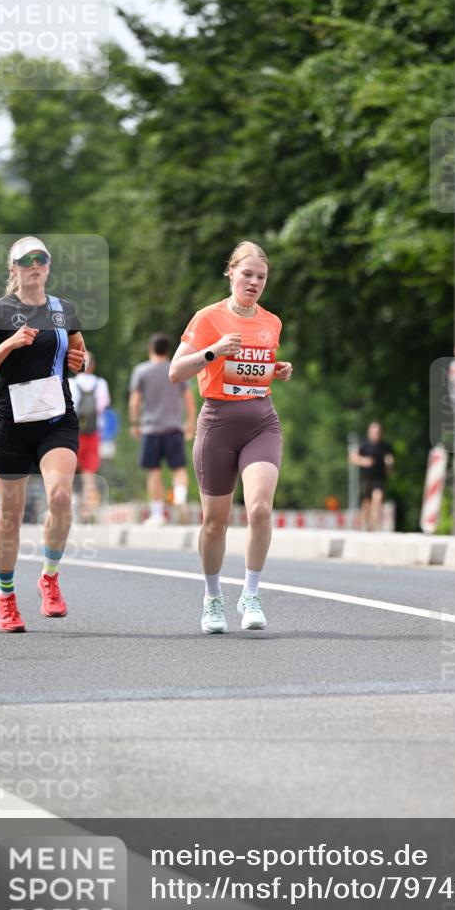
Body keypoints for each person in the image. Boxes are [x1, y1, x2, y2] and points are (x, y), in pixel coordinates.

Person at [169, 241, 293, 633]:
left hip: (261, 422)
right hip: (218, 424)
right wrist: (213, 351)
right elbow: (176, 372)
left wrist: (277, 371)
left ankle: (252, 593)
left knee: (258, 509)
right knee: (215, 522)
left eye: (261, 277)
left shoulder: (271, 322)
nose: (254, 282)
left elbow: (253, 371)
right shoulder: (208, 318)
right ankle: (212, 599)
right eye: (248, 275)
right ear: (231, 273)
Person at [0, 235, 87, 632]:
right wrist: (10, 345)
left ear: (49, 266)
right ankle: (6, 597)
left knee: (60, 495)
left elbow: (78, 354)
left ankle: (49, 578)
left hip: (56, 418)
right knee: (11, 518)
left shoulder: (62, 310)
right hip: (12, 423)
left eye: (42, 258)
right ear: (13, 268)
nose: (35, 264)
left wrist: (79, 360)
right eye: (26, 260)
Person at [129, 333, 197, 525]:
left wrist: (134, 424)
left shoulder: (141, 371)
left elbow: (134, 401)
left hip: (151, 429)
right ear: (168, 351)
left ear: (150, 349)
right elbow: (189, 401)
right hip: (174, 428)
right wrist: (190, 423)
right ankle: (180, 498)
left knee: (154, 471)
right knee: (179, 469)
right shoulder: (176, 370)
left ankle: (158, 514)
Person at [69, 351, 111, 522]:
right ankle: (89, 512)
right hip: (93, 433)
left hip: (74, 433)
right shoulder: (101, 384)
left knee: (69, 471)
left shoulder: (70, 383)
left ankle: (70, 507)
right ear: (93, 366)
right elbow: (103, 405)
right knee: (89, 474)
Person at [349, 421, 394, 531]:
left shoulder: (385, 446)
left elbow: (390, 459)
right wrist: (364, 461)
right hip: (366, 479)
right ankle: (364, 525)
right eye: (373, 432)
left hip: (379, 478)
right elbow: (353, 458)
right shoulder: (364, 446)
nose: (376, 435)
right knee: (366, 504)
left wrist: (389, 465)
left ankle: (373, 525)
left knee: (377, 498)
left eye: (378, 432)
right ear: (369, 433)